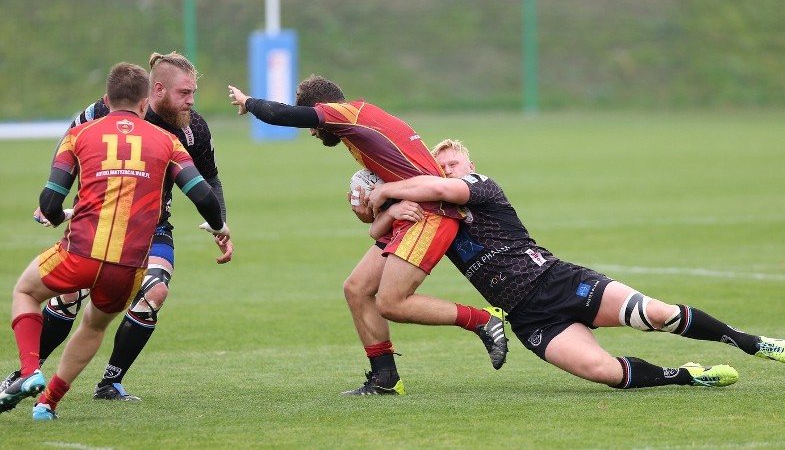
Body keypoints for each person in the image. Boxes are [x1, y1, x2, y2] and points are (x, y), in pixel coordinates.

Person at [362, 139, 785, 390]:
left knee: (655, 315)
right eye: (439, 168)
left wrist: (386, 192)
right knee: (603, 372)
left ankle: (749, 342)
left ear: (469, 166)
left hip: (558, 280)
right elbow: (374, 234)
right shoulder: (431, 219)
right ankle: (687, 377)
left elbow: (442, 188)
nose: (446, 171)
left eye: (453, 164)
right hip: (529, 316)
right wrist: (388, 211)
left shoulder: (479, 186)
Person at [227, 78, 507, 395]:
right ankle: (385, 378)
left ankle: (483, 319)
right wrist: (381, 206)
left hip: (432, 214)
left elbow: (284, 116)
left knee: (391, 303)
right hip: (411, 211)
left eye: (315, 123)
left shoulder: (349, 114)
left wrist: (249, 102)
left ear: (322, 110)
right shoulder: (358, 125)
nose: (313, 131)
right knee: (356, 289)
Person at [0, 62, 231, 420]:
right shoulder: (108, 117)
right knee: (73, 298)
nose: (191, 101)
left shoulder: (192, 128)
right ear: (152, 94)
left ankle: (107, 382)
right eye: (184, 93)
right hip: (100, 223)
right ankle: (27, 377)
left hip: (148, 229)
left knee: (153, 292)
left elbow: (210, 181)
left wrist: (53, 201)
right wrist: (59, 200)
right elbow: (71, 143)